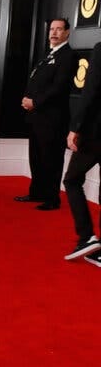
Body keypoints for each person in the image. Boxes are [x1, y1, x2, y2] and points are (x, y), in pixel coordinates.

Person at [14, 18, 77, 210]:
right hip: (36, 116)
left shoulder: (68, 56)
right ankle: (37, 192)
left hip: (53, 118)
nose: (54, 33)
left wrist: (35, 101)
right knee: (36, 157)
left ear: (67, 32)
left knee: (51, 158)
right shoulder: (47, 54)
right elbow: (37, 81)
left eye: (59, 29)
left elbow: (59, 87)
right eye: (52, 29)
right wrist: (27, 100)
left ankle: (52, 199)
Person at [62, 41, 101, 263]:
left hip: (96, 133)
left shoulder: (100, 49)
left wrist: (75, 127)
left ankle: (87, 237)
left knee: (72, 180)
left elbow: (91, 91)